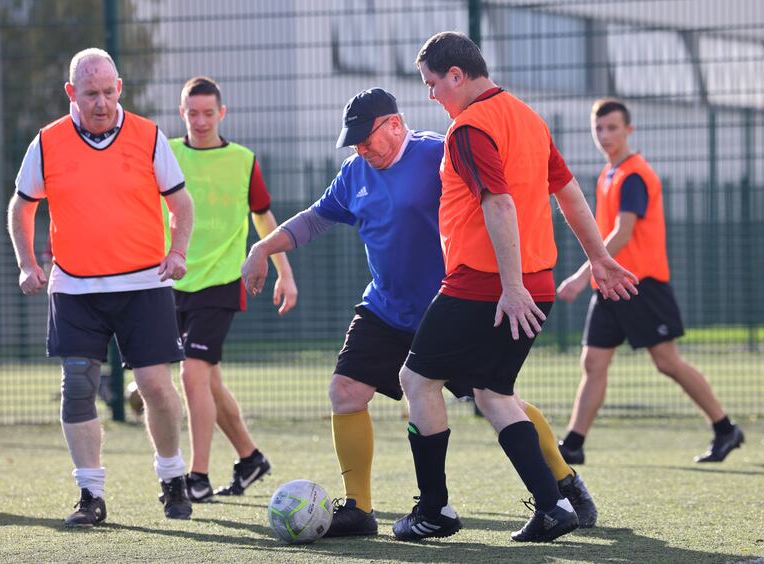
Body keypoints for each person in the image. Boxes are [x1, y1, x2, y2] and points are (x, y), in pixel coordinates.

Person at [242, 87, 598, 538]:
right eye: (352, 141)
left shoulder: (439, 153)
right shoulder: (355, 172)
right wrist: (263, 246)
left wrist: (512, 279)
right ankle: (359, 509)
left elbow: (500, 200)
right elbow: (316, 218)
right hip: (385, 308)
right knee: (346, 391)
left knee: (497, 398)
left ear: (395, 123)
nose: (360, 148)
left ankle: (564, 482)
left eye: (366, 137)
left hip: (448, 310)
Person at [391, 32, 639, 544]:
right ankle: (553, 506)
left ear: (456, 75)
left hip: (484, 286)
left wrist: (508, 286)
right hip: (536, 284)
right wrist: (599, 259)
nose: (431, 96)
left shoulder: (469, 127)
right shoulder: (528, 118)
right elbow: (568, 194)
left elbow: (498, 204)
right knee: (494, 393)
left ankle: (434, 510)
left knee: (416, 380)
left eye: (432, 84)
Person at [8, 48, 194, 526]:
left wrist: (178, 253)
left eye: (110, 91)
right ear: (72, 93)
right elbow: (21, 208)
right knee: (77, 387)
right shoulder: (47, 143)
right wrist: (28, 264)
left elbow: (181, 204)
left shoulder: (148, 136)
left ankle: (173, 478)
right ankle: (90, 495)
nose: (102, 102)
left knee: (155, 385)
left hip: (143, 283)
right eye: (91, 93)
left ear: (120, 89)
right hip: (74, 288)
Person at [556, 98, 744, 465]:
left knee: (667, 362)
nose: (605, 135)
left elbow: (623, 232)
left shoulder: (634, 175)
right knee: (593, 363)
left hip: (640, 284)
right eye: (599, 128)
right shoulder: (608, 174)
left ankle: (725, 428)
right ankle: (573, 444)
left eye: (613, 128)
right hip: (610, 286)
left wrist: (582, 275)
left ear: (629, 130)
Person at [168, 76, 297, 502]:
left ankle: (197, 478)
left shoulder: (243, 160)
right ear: (181, 112)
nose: (201, 120)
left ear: (222, 113)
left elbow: (263, 218)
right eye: (193, 112)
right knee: (208, 383)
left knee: (191, 375)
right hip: (171, 281)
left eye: (209, 112)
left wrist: (285, 272)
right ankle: (250, 457)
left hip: (222, 283)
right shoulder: (166, 154)